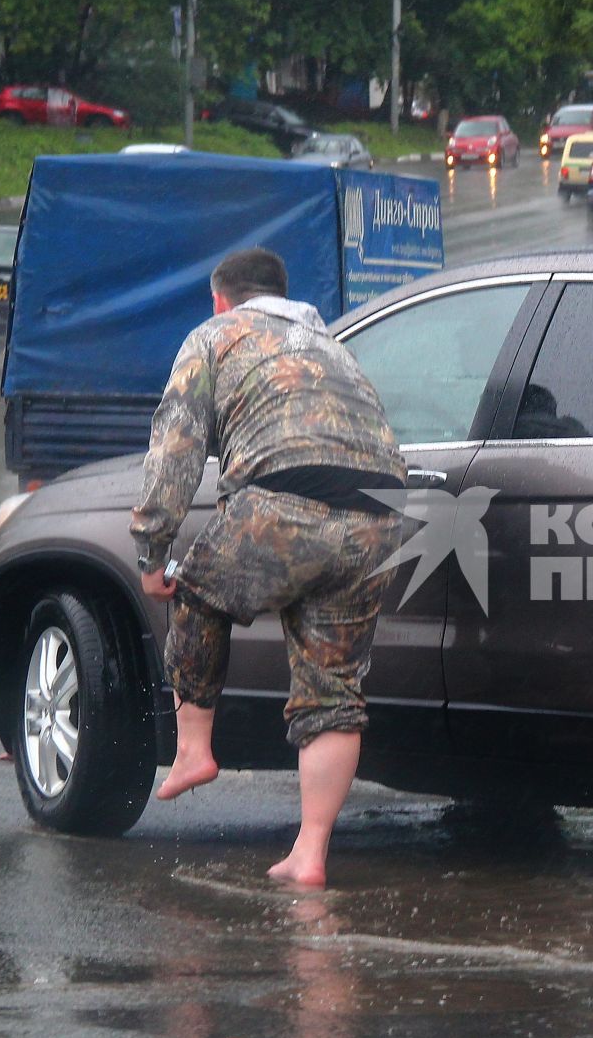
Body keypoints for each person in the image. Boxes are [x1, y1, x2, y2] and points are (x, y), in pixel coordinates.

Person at [129, 248, 405, 889]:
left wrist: (152, 554)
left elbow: (175, 451)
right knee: (333, 692)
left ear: (222, 299)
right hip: (379, 516)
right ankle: (310, 854)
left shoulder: (215, 335)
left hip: (283, 499)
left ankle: (194, 750)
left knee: (198, 589)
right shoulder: (332, 345)